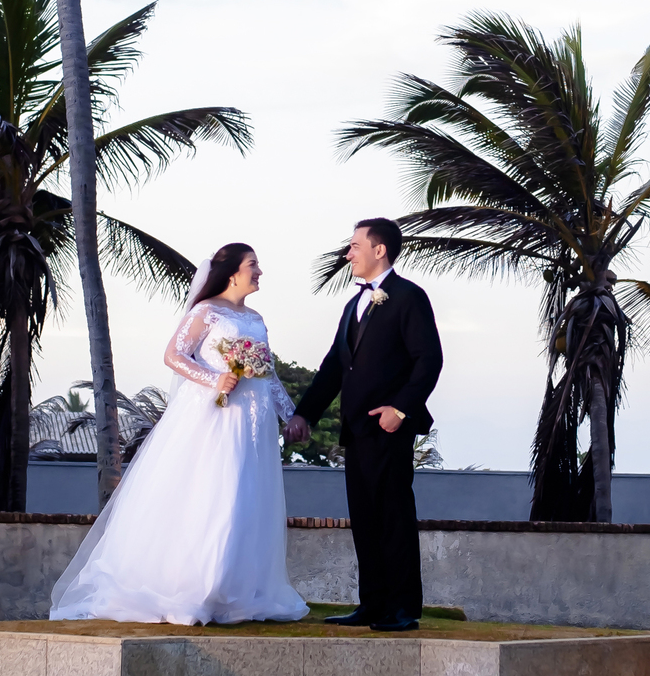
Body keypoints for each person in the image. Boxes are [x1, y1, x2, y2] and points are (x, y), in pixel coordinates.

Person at [50, 242, 307, 625]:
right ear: (233, 271)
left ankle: (236, 590)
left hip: (252, 426)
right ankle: (194, 586)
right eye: (253, 264)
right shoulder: (206, 311)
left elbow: (267, 375)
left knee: (248, 498)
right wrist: (214, 379)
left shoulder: (256, 318)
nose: (259, 271)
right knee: (213, 494)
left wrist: (292, 416)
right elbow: (174, 355)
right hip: (214, 419)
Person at [284, 217, 442, 631]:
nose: (348, 253)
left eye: (354, 245)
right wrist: (305, 413)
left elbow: (430, 360)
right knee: (366, 518)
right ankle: (372, 604)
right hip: (355, 431)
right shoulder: (353, 304)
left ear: (379, 250)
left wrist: (401, 409)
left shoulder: (409, 297)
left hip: (389, 428)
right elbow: (334, 367)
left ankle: (404, 608)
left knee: (393, 516)